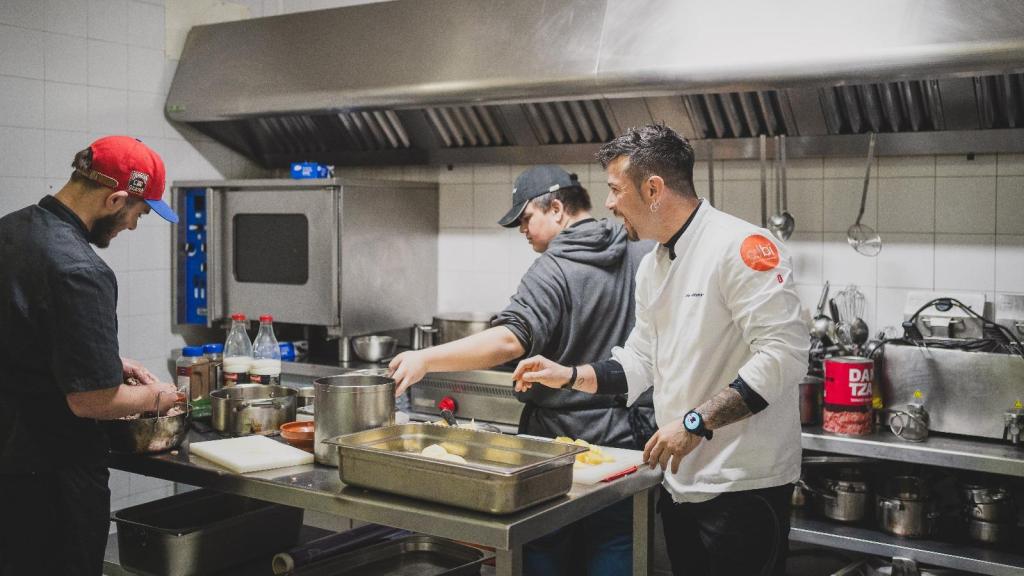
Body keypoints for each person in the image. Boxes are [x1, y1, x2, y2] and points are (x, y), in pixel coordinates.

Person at [511, 124, 808, 576]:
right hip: (680, 481)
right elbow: (638, 362)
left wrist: (694, 423)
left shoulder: (741, 247)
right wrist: (567, 376)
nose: (608, 204)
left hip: (743, 487)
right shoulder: (652, 266)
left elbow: (784, 355)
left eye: (615, 189)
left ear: (653, 190)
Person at [388, 165, 656, 575]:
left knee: (545, 543)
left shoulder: (555, 267)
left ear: (557, 209)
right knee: (617, 541)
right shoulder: (639, 252)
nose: (522, 230)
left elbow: (510, 340)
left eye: (526, 218)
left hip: (558, 447)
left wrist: (426, 358)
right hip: (626, 441)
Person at [0, 136, 180, 576]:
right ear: (115, 199)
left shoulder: (10, 231)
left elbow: (23, 338)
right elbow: (94, 401)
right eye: (138, 213)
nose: (132, 226)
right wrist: (162, 396)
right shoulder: (81, 269)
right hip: (50, 481)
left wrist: (104, 362)